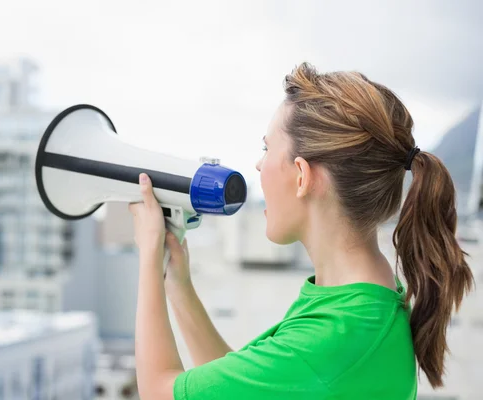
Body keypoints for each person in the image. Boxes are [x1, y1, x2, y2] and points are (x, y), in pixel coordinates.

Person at [127, 62, 474, 400]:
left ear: (302, 176)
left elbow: (158, 392)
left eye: (266, 148)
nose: (259, 164)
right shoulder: (362, 305)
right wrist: (179, 286)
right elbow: (246, 389)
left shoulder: (335, 337)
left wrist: (148, 255)